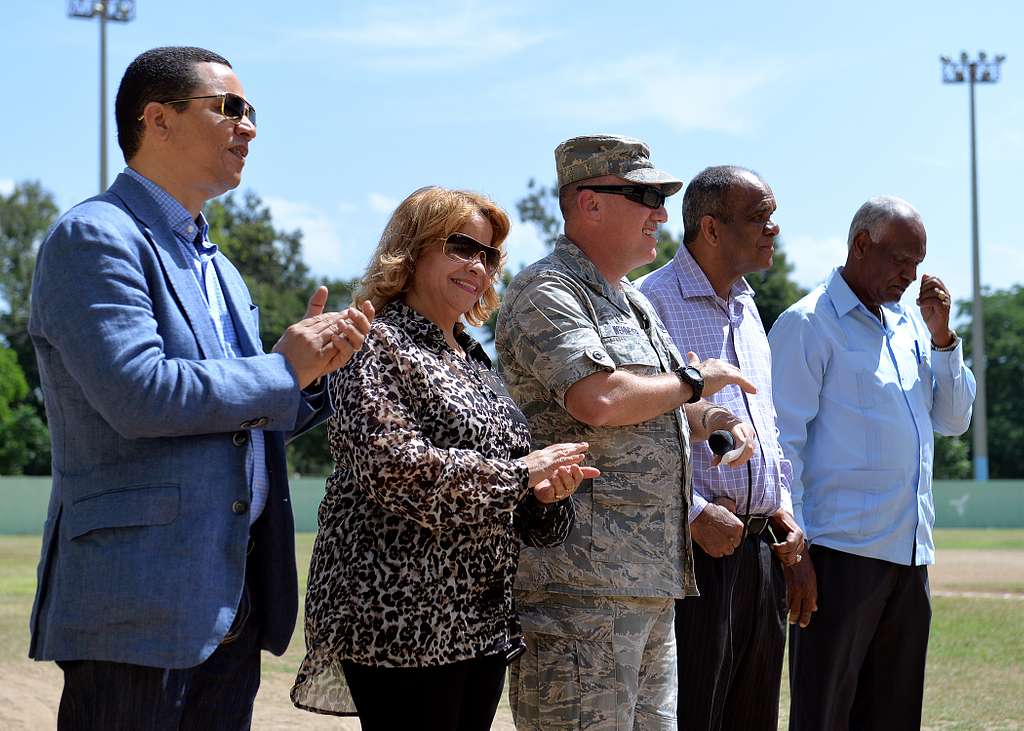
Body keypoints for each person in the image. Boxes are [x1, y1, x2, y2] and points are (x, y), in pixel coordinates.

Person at [27, 46, 373, 729]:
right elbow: (141, 393)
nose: (248, 128)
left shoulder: (223, 269)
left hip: (231, 603)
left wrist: (310, 381)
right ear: (157, 119)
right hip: (137, 606)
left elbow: (236, 411)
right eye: (229, 109)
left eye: (251, 113)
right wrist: (282, 370)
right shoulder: (94, 238)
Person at [290, 186, 598, 730]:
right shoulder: (370, 342)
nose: (477, 266)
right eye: (461, 247)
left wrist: (548, 495)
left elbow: (516, 496)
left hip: (480, 621)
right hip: (401, 619)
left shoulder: (478, 358)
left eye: (488, 255)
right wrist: (521, 475)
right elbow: (397, 471)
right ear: (411, 250)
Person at [495, 135, 760, 731]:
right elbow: (602, 397)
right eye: (644, 196)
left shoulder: (631, 301)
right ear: (588, 203)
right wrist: (695, 381)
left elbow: (652, 403)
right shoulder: (549, 291)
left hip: (645, 584)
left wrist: (707, 418)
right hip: (578, 594)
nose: (661, 215)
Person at [768, 195, 976, 730]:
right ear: (861, 245)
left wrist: (943, 337)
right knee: (825, 714)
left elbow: (953, 419)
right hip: (839, 558)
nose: (911, 275)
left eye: (918, 262)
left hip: (909, 556)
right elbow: (782, 443)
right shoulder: (808, 324)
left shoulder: (907, 326)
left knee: (894, 714)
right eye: (901, 260)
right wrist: (796, 551)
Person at [639, 165, 804, 731]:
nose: (773, 230)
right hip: (695, 554)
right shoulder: (649, 306)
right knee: (695, 716)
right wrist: (689, 516)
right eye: (759, 218)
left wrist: (781, 505)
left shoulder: (747, 305)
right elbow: (626, 437)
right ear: (710, 229)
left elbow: (766, 422)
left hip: (760, 549)